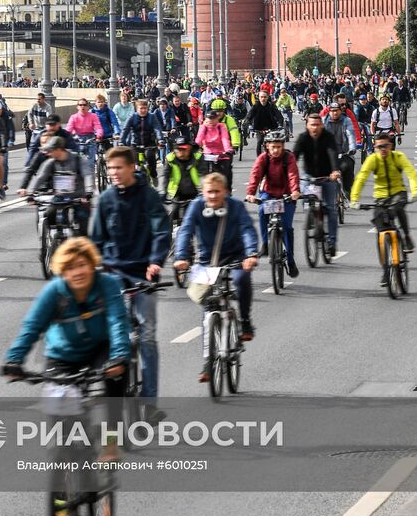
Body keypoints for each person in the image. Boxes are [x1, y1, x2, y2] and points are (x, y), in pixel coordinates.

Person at [0, 237, 131, 458]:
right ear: (63, 271)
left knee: (114, 384)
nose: (77, 272)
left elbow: (118, 321)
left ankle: (111, 442)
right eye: (70, 268)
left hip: (101, 349)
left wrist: (119, 357)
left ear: (92, 265)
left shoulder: (107, 284)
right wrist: (14, 360)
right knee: (61, 420)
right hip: (62, 355)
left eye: (82, 265)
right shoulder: (54, 292)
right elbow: (32, 326)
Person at [90, 146, 170, 401]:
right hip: (113, 274)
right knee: (113, 334)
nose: (113, 173)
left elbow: (161, 232)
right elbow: (96, 240)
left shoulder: (148, 196)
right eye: (110, 168)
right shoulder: (105, 199)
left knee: (146, 337)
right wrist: (97, 267)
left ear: (132, 167)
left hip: (143, 275)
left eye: (118, 167)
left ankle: (149, 401)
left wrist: (155, 262)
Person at [174, 173, 259, 380]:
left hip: (235, 256)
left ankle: (245, 321)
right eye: (209, 192)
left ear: (225, 192)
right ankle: (207, 361)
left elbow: (247, 229)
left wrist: (251, 254)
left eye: (217, 192)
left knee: (240, 279)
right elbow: (185, 231)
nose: (213, 196)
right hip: (207, 261)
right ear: (203, 193)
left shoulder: (235, 206)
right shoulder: (196, 206)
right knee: (207, 310)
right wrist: (182, 257)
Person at [350, 131, 417, 283]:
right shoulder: (372, 160)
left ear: (391, 146)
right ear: (375, 147)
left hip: (397, 192)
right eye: (379, 146)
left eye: (386, 146)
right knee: (380, 231)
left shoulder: (398, 157)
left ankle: (406, 237)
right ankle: (385, 270)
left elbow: (411, 173)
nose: (383, 149)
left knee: (398, 207)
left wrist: (414, 192)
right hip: (380, 197)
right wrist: (354, 200)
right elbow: (361, 178)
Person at [245, 130, 300, 277]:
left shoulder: (289, 157)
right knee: (262, 211)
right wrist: (250, 193)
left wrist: (295, 192)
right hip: (268, 193)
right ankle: (265, 244)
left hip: (287, 195)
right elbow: (255, 175)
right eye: (272, 146)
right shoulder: (263, 158)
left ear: (282, 146)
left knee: (287, 228)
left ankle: (290, 260)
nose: (275, 150)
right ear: (267, 146)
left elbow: (293, 175)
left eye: (278, 146)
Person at [292, 114, 341, 257]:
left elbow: (333, 153)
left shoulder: (328, 137)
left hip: (326, 177)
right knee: (306, 200)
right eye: (312, 125)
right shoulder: (303, 138)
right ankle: (311, 216)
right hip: (309, 176)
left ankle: (331, 242)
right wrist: (288, 171)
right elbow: (294, 156)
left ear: (322, 125)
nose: (315, 127)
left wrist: (335, 171)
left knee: (331, 209)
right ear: (307, 125)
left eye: (317, 125)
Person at [27, 136, 93, 236]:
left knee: (83, 223)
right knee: (49, 214)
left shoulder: (78, 159)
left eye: (51, 150)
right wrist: (30, 193)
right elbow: (40, 177)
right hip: (60, 196)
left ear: (59, 149)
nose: (48, 153)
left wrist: (88, 192)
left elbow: (87, 175)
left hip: (79, 197)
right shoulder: (51, 162)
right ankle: (53, 240)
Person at [160, 135, 206, 222]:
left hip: (195, 192)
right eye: (178, 149)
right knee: (172, 214)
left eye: (184, 149)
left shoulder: (198, 157)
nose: (181, 152)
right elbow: (165, 176)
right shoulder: (170, 158)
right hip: (176, 193)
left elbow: (203, 174)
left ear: (190, 148)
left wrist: (204, 191)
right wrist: (164, 193)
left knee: (200, 216)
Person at [120, 99, 163, 184]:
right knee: (133, 163)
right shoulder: (132, 117)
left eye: (145, 108)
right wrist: (121, 141)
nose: (143, 110)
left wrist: (160, 140)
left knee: (150, 158)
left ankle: (153, 175)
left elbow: (157, 128)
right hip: (135, 144)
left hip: (149, 144)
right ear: (137, 108)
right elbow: (125, 129)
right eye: (141, 108)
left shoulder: (152, 117)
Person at [323, 101, 357, 197]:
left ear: (340, 111)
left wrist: (352, 148)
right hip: (328, 154)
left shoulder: (346, 120)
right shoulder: (324, 121)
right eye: (332, 111)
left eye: (336, 110)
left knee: (347, 166)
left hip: (344, 152)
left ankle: (347, 189)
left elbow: (350, 134)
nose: (335, 113)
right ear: (329, 112)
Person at [195, 110, 234, 187]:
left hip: (221, 153)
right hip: (207, 153)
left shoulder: (221, 126)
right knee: (202, 172)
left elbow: (224, 139)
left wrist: (228, 150)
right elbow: (199, 138)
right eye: (209, 118)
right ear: (206, 119)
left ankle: (227, 189)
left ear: (217, 119)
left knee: (226, 171)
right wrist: (194, 148)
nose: (211, 121)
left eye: (213, 118)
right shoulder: (203, 127)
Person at [65, 98, 103, 166]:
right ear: (77, 107)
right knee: (77, 162)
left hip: (90, 139)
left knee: (90, 162)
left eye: (84, 105)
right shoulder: (73, 117)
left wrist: (99, 135)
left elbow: (98, 127)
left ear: (88, 106)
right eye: (80, 105)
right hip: (78, 139)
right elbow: (69, 129)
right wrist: (65, 137)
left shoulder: (93, 116)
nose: (82, 106)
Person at [245, 90, 283, 155]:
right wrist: (248, 124)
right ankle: (259, 159)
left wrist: (280, 123)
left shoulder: (271, 105)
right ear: (259, 98)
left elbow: (278, 115)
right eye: (261, 97)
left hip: (271, 127)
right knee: (259, 142)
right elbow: (249, 115)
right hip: (258, 127)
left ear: (267, 97)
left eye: (265, 97)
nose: (263, 99)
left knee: (272, 143)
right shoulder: (256, 106)